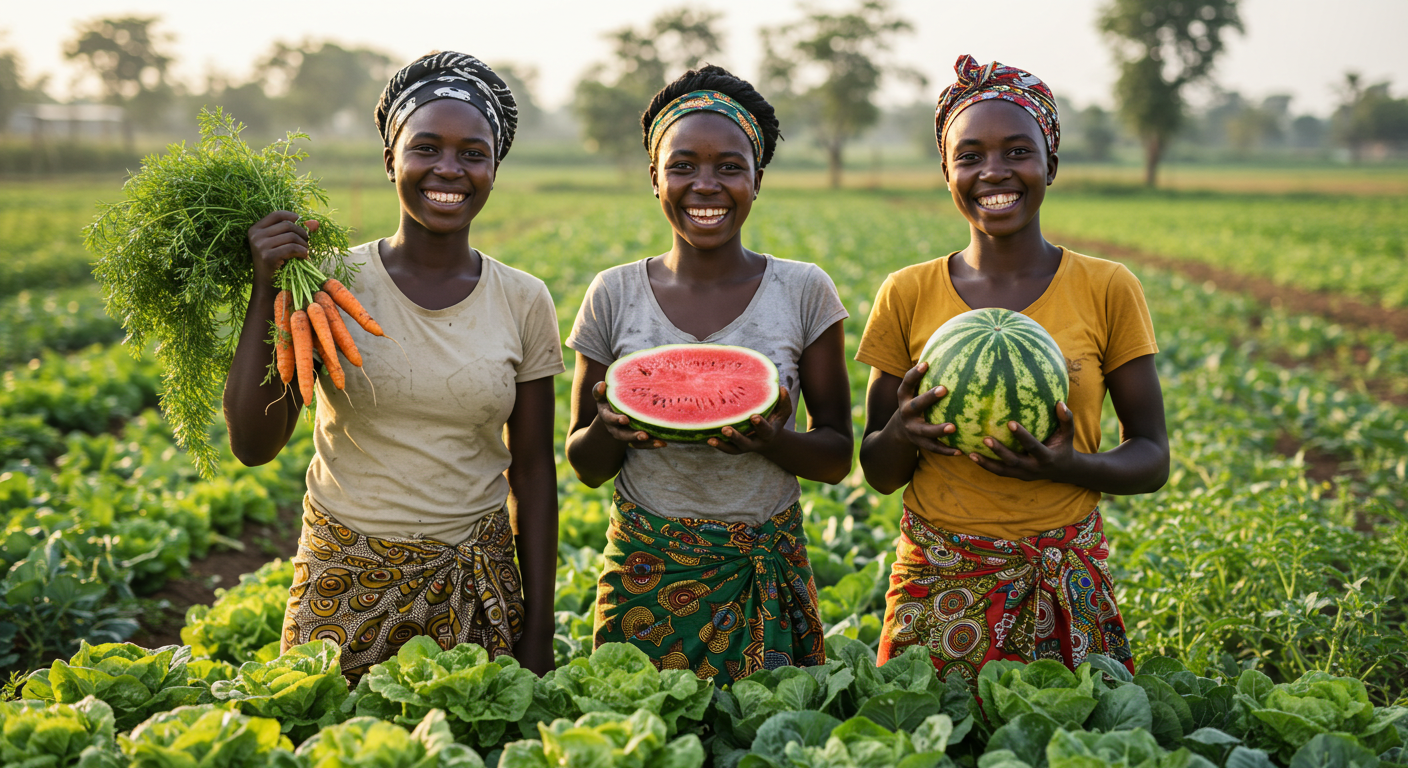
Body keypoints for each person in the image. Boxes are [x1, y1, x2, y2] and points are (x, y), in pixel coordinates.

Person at [223, 51, 561, 681]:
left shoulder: (523, 298)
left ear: (494, 170)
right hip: (343, 580)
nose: (449, 170)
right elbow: (253, 444)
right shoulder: (326, 282)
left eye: (473, 154)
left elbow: (536, 472)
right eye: (426, 148)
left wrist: (538, 632)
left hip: (475, 584)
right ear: (390, 161)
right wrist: (264, 290)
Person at [857, 55, 1169, 683]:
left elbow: (1152, 456)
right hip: (937, 573)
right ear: (946, 170)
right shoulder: (907, 292)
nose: (993, 172)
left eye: (1017, 151)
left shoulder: (1108, 287)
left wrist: (1071, 465)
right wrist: (902, 434)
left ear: (1050, 162)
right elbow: (877, 470)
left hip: (1063, 567)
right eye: (969, 155)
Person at [564, 65, 853, 684]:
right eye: (683, 165)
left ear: (756, 180)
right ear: (654, 177)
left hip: (763, 564)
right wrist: (611, 430)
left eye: (729, 166)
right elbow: (584, 465)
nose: (705, 185)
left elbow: (835, 457)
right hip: (647, 568)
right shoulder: (612, 294)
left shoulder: (804, 291)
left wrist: (775, 441)